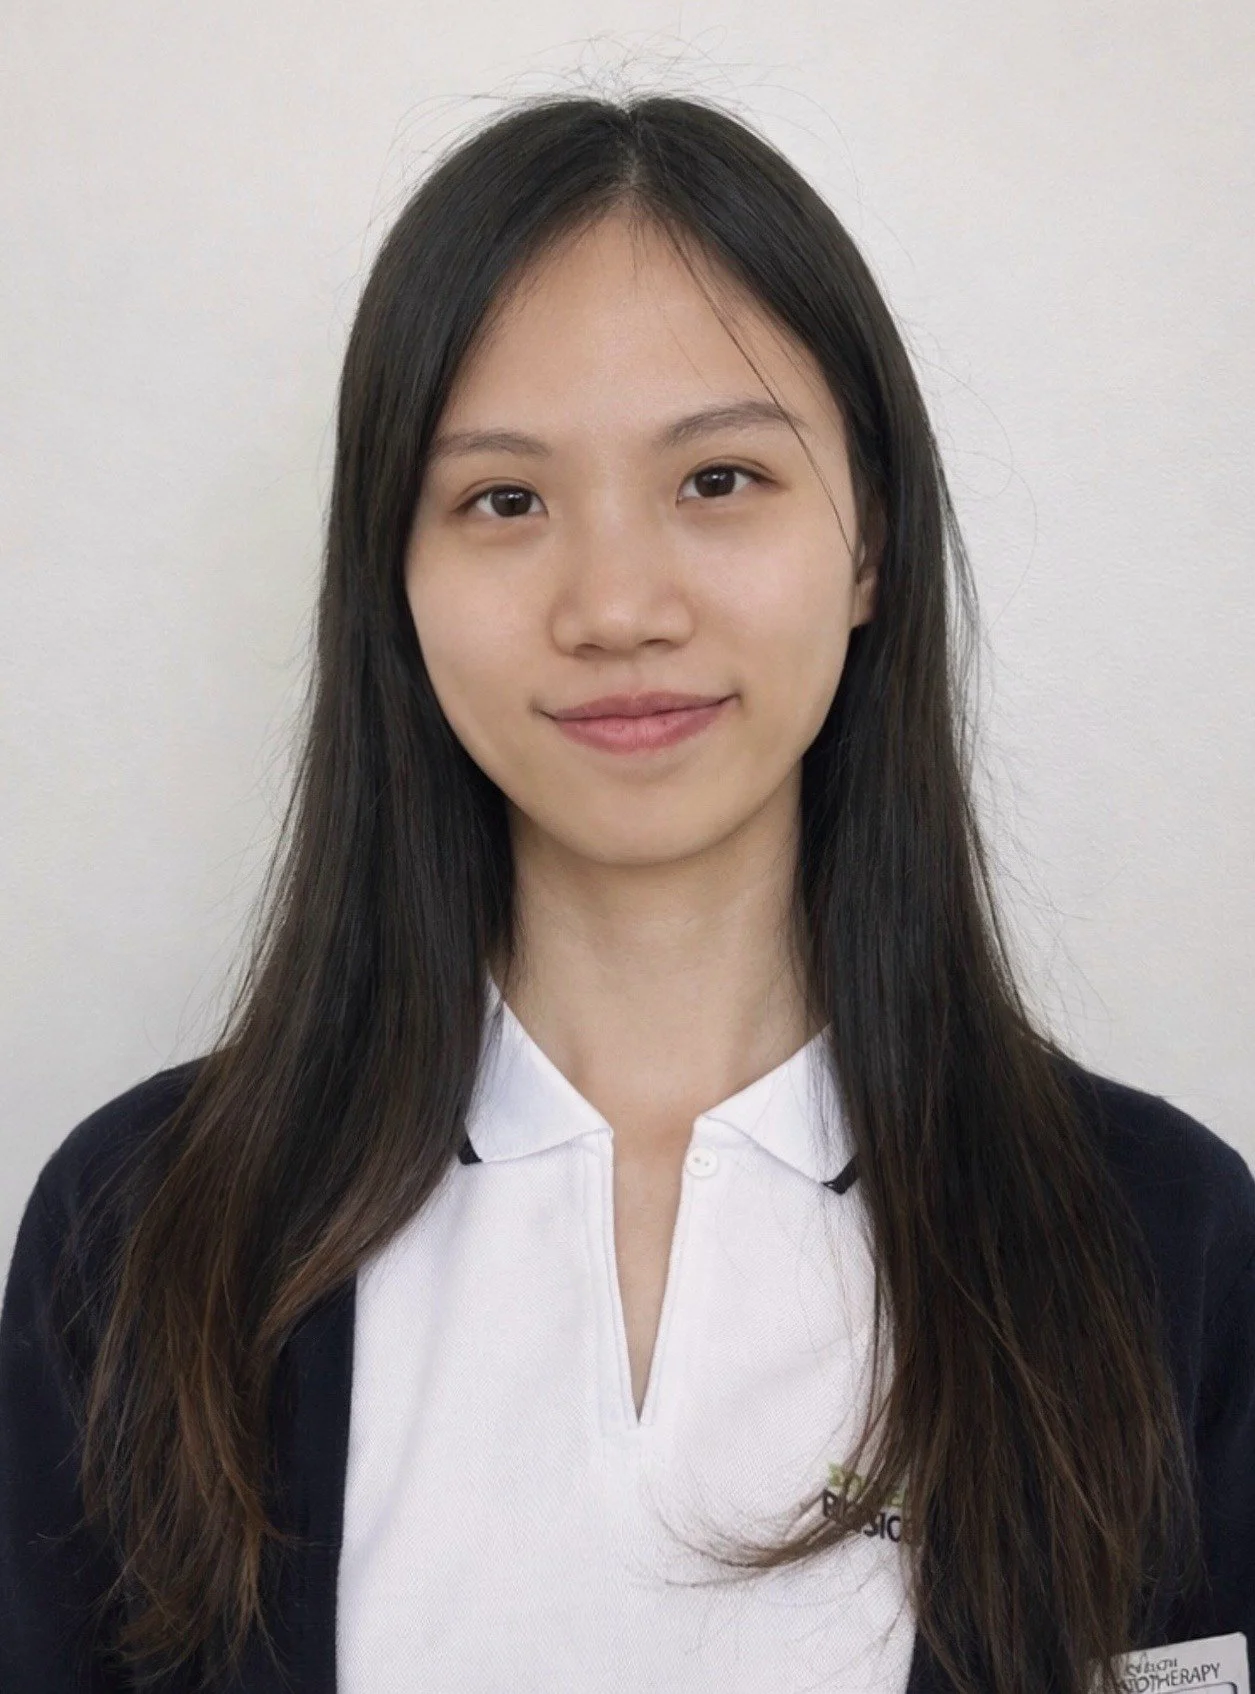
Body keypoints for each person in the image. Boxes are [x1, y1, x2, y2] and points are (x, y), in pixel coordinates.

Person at [2, 91, 1252, 1694]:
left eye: (718, 479)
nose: (614, 603)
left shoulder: (1154, 1246)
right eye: (503, 501)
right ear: (395, 577)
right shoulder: (143, 1234)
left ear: (868, 540)